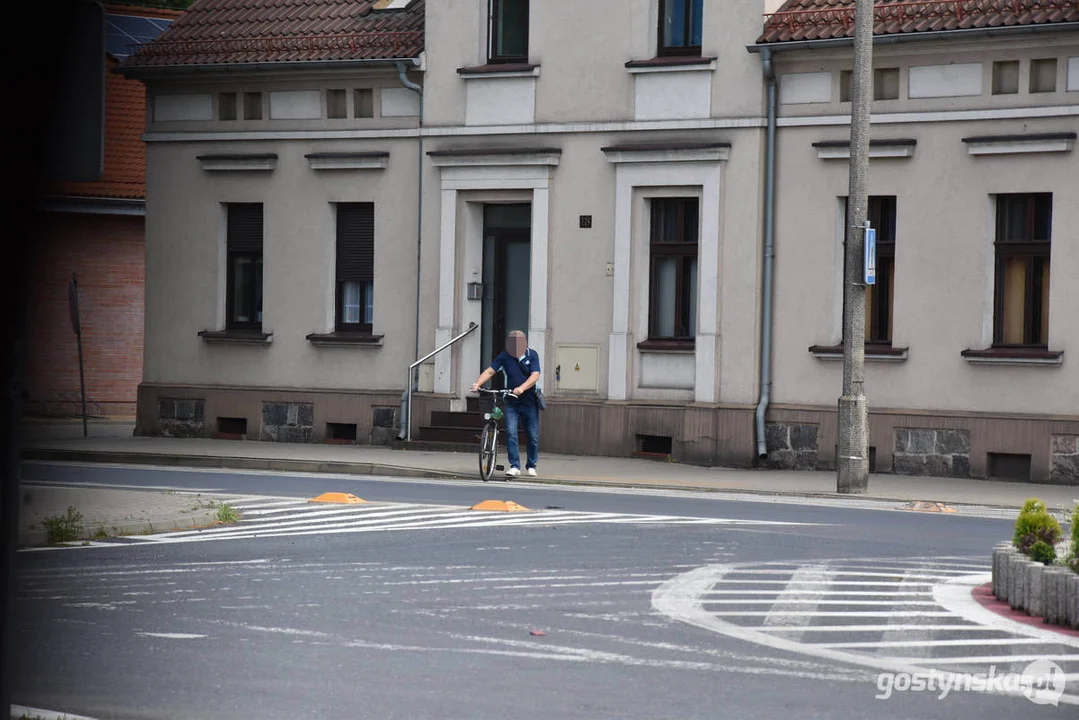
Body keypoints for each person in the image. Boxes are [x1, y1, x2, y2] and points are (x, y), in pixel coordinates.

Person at [470, 330, 540, 478]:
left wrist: (521, 388)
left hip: (529, 402)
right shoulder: (504, 356)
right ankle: (515, 466)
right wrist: (477, 384)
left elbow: (535, 375)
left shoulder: (532, 355)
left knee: (532, 436)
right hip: (511, 402)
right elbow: (490, 371)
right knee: (511, 433)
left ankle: (531, 465)